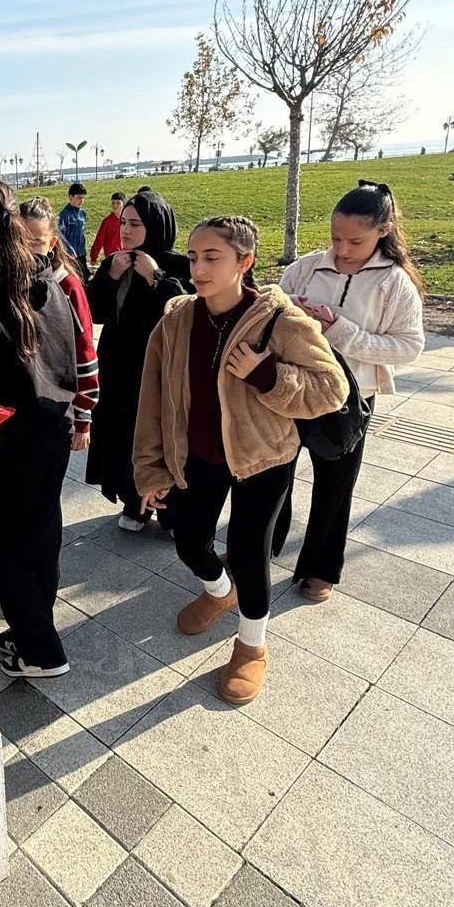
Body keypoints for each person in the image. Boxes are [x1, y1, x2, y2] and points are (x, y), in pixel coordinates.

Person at [133, 216, 348, 704]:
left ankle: (252, 647)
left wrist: (268, 374)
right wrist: (150, 467)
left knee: (251, 551)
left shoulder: (280, 320)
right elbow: (151, 398)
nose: (199, 269)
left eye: (212, 258)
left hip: (262, 458)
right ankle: (217, 590)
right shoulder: (176, 320)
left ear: (244, 262)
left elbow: (331, 388)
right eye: (193, 257)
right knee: (188, 541)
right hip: (199, 457)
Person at [0, 180, 79, 677]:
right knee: (42, 532)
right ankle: (33, 629)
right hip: (54, 428)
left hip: (7, 442)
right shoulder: (48, 276)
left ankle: (41, 652)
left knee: (7, 544)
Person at [275, 181, 426, 601]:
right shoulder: (306, 267)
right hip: (291, 388)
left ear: (384, 230)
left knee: (335, 486)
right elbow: (270, 316)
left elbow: (408, 347)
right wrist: (293, 317)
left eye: (354, 241)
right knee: (272, 473)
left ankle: (321, 568)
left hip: (349, 398)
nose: (341, 249)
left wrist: (338, 328)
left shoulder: (394, 284)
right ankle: (263, 545)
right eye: (335, 237)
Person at [86, 189, 188, 531]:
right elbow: (94, 313)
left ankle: (172, 511)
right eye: (123, 223)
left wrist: (155, 277)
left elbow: (184, 312)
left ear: (155, 226)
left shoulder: (177, 264)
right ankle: (135, 504)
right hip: (119, 370)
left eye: (135, 224)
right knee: (127, 436)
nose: (125, 231)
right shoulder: (116, 261)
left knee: (163, 437)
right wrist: (111, 275)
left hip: (160, 370)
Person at [20, 197, 100, 453]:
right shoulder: (11, 282)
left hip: (57, 410)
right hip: (21, 409)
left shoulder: (66, 286)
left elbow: (84, 349)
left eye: (36, 242)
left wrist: (83, 419)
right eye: (20, 241)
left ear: (52, 243)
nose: (27, 250)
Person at [57, 183, 89, 281]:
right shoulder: (64, 215)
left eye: (83, 198)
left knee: (85, 278)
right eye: (79, 198)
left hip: (81, 253)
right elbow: (60, 235)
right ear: (70, 197)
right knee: (74, 279)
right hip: (70, 255)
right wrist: (70, 250)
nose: (81, 201)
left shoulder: (83, 213)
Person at [90, 192, 126, 267]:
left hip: (125, 256)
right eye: (113, 203)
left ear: (124, 204)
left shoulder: (126, 220)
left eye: (118, 203)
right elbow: (99, 240)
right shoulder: (107, 221)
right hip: (111, 257)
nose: (115, 205)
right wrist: (94, 256)